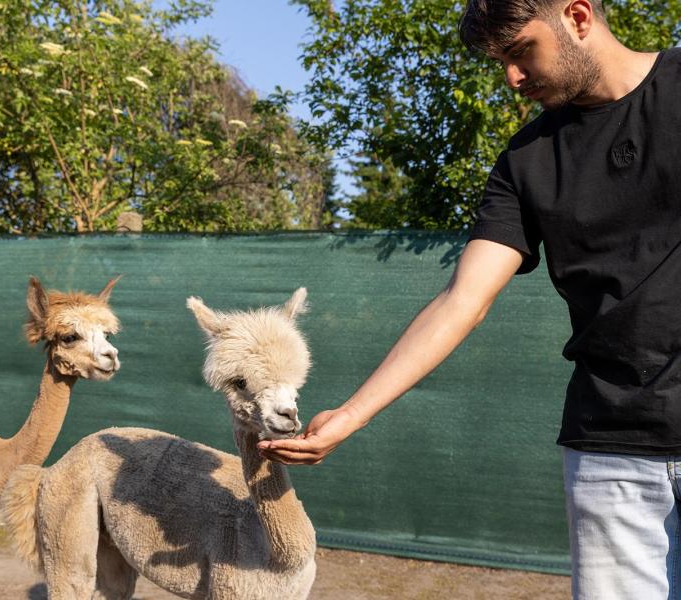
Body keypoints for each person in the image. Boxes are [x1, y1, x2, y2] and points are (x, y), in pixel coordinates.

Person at [258, 1, 681, 598]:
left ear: (579, 16)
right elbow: (462, 300)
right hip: (610, 449)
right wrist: (351, 416)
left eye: (520, 51)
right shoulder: (526, 160)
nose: (511, 77)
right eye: (501, 61)